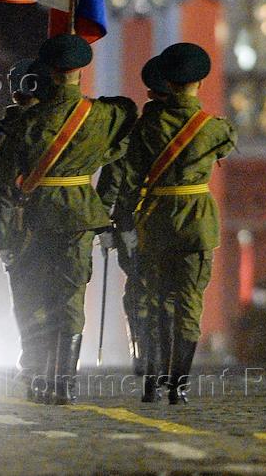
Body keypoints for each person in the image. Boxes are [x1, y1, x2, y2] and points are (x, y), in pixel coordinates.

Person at [0, 34, 137, 404]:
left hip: (34, 216)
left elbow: (6, 179)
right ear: (81, 70)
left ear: (47, 72)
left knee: (34, 297)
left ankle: (38, 377)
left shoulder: (27, 121)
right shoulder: (104, 116)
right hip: (79, 215)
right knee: (71, 297)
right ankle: (63, 383)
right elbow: (128, 115)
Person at [114, 42, 236, 405]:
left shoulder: (146, 127)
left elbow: (130, 178)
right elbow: (226, 148)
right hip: (197, 224)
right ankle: (178, 386)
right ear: (200, 82)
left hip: (156, 222)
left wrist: (122, 221)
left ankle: (152, 380)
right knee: (189, 302)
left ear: (166, 82)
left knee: (154, 299)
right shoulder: (216, 129)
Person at [97, 56, 171, 376]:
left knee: (139, 290)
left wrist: (102, 223)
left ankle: (144, 354)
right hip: (177, 221)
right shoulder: (192, 130)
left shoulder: (133, 132)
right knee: (172, 289)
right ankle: (167, 357)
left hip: (134, 223)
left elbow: (113, 180)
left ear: (151, 93)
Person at [0, 58, 45, 392]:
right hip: (61, 219)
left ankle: (35, 363)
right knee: (58, 296)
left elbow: (0, 183)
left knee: (26, 298)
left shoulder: (4, 130)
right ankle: (55, 366)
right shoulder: (64, 121)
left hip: (18, 225)